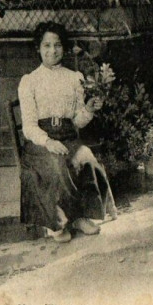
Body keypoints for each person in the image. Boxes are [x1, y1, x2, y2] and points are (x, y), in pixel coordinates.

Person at [18, 22, 117, 243]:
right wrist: (47, 141)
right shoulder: (29, 81)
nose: (52, 51)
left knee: (85, 157)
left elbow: (77, 122)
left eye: (57, 45)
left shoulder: (74, 78)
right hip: (40, 143)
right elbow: (28, 126)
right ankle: (58, 223)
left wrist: (89, 110)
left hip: (68, 136)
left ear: (64, 48)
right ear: (38, 48)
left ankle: (80, 217)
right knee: (56, 163)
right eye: (46, 45)